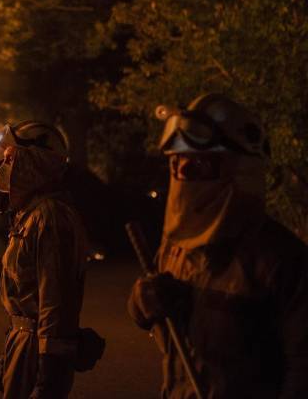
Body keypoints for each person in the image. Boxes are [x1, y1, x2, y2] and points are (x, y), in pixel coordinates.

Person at [128, 93, 308, 398]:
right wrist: (141, 303)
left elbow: (303, 369)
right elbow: (154, 324)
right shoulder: (176, 248)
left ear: (238, 171)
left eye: (198, 164)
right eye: (177, 163)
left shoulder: (279, 259)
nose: (183, 173)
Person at [0, 121, 101, 399]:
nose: (5, 167)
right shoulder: (30, 216)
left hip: (38, 348)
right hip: (25, 344)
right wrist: (12, 348)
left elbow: (55, 300)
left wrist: (48, 371)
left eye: (12, 159)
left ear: (35, 163)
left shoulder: (49, 217)